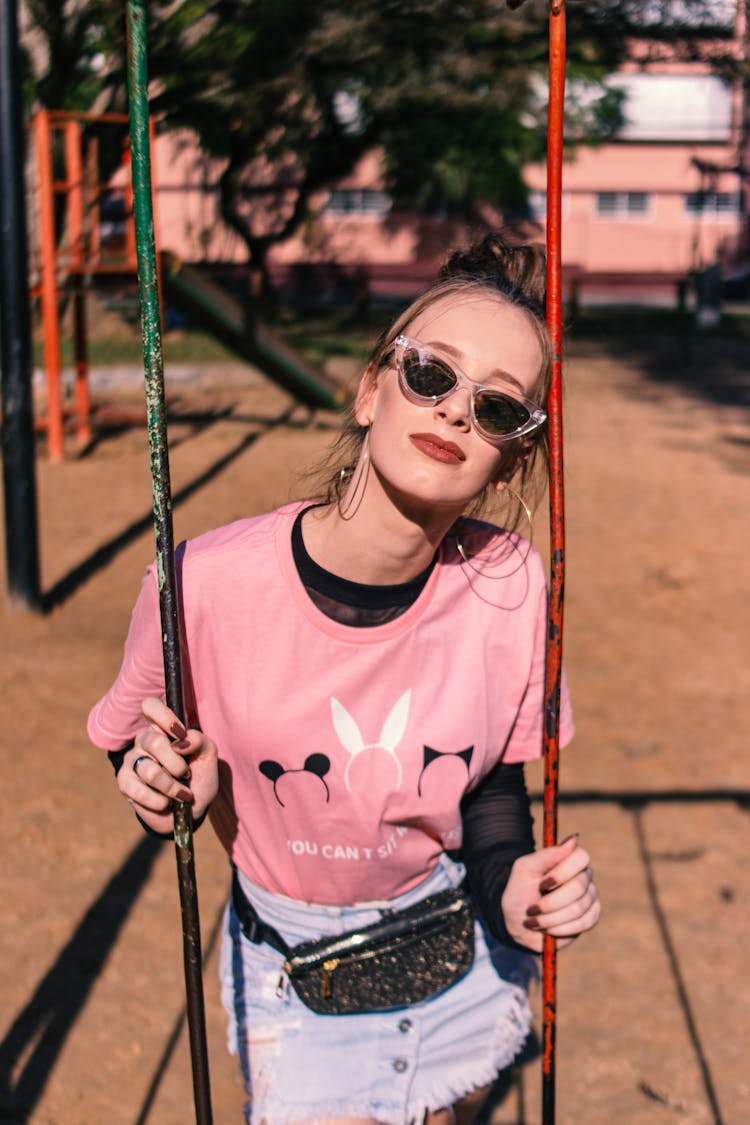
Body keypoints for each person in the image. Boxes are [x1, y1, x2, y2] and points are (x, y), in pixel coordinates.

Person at [88, 231, 601, 1125]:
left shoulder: (514, 585)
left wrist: (513, 875)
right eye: (431, 375)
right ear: (371, 389)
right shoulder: (203, 583)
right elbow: (136, 743)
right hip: (298, 963)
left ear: (512, 456)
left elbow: (490, 786)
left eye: (496, 408)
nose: (452, 414)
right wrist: (161, 779)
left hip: (457, 940)